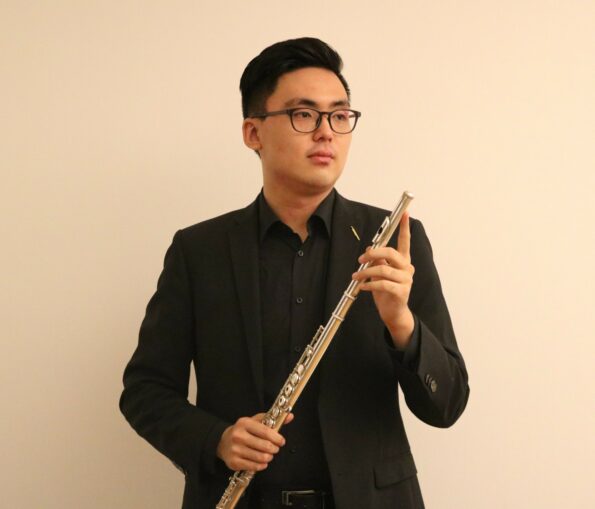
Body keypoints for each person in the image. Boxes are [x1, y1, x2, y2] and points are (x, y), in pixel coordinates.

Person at [120, 37, 469, 509]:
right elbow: (145, 391)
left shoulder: (395, 242)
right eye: (304, 114)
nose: (326, 133)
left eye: (339, 116)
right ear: (253, 133)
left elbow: (447, 405)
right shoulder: (198, 251)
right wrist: (216, 439)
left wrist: (401, 324)